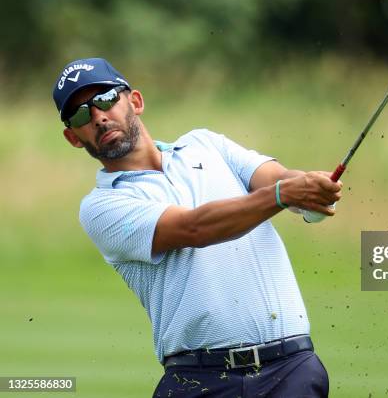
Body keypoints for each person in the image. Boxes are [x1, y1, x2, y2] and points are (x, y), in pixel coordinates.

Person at [52, 57, 342, 398]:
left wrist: (309, 189)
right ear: (73, 137)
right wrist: (282, 195)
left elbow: (278, 179)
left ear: (135, 101)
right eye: (82, 114)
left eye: (105, 99)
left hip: (292, 371)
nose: (99, 117)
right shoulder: (101, 207)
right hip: (200, 382)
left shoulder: (206, 144)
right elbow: (194, 229)